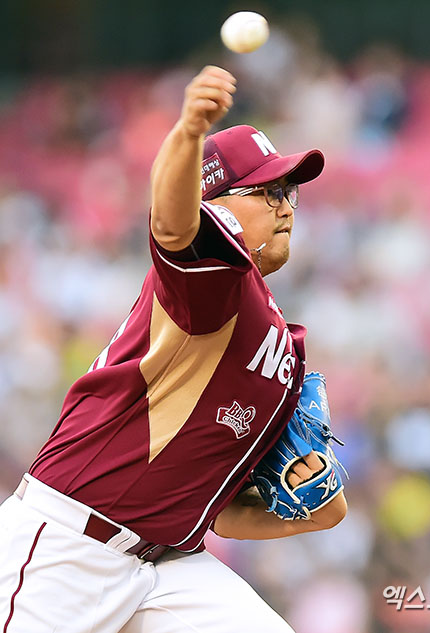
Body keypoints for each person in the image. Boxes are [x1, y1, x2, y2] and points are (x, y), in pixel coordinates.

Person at [0, 65, 347, 633]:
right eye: (267, 191)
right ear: (217, 206)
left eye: (290, 192)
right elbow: (171, 224)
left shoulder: (283, 347)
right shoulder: (212, 281)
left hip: (171, 563)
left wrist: (309, 515)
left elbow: (227, 517)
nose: (286, 206)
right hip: (68, 547)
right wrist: (187, 133)